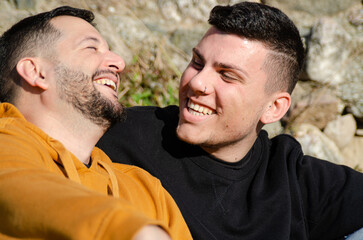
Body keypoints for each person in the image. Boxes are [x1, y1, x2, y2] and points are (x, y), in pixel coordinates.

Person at [97, 1, 363, 240]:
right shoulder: (123, 135)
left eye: (227, 75)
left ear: (273, 108)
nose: (197, 82)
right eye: (197, 62)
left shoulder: (293, 179)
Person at [0, 6, 193, 240]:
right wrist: (129, 230)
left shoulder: (147, 190)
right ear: (36, 72)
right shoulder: (7, 142)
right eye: (91, 47)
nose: (119, 63)